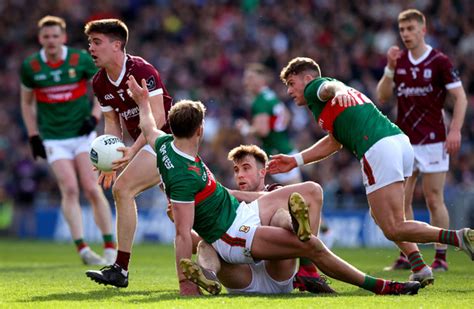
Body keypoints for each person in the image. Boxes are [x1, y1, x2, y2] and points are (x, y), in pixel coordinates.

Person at [88, 75, 422, 297]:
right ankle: (381, 287)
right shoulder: (183, 175)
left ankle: (293, 238)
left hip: (239, 211)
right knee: (312, 246)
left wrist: (143, 100)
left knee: (309, 191)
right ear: (201, 130)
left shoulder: (164, 145)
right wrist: (183, 288)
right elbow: (181, 234)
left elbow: (147, 126)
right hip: (234, 234)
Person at [266, 56, 474, 287]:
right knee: (385, 219)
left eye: (292, 83)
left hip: (377, 148)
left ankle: (458, 237)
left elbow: (328, 87)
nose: (290, 91)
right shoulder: (328, 106)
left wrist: (339, 89)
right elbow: (334, 142)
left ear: (307, 78)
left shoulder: (317, 86)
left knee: (394, 226)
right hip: (398, 142)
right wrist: (295, 160)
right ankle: (419, 267)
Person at [375, 9, 468, 272]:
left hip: (434, 140)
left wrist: (455, 130)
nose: (405, 34)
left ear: (422, 30)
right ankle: (409, 256)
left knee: (433, 198)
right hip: (404, 141)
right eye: (402, 30)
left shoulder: (439, 61)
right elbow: (382, 96)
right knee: (401, 201)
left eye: (410, 29)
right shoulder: (399, 61)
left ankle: (440, 257)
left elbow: (460, 97)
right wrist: (390, 69)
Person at [20, 15, 115, 265]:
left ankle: (110, 248)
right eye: (46, 36)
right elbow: (26, 102)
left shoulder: (79, 60)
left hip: (82, 134)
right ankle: (83, 249)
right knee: (70, 188)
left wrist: (94, 118)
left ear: (63, 38)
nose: (51, 41)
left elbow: (101, 88)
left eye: (55, 36)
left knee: (92, 187)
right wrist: (33, 135)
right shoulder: (31, 67)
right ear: (40, 39)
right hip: (54, 138)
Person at [83, 18, 173, 280]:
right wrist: (111, 157)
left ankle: (120, 269)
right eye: (90, 42)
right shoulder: (100, 82)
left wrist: (132, 152)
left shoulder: (142, 70)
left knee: (123, 190)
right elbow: (112, 124)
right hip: (146, 144)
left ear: (117, 45)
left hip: (168, 140)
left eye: (97, 42)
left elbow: (158, 117)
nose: (91, 48)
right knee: (180, 212)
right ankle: (225, 252)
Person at [226, 144, 334, 294]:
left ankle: (295, 225)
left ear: (262, 172)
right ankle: (204, 276)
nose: (240, 175)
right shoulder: (230, 203)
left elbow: (266, 198)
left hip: (278, 275)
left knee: (278, 214)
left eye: (246, 168)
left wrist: (232, 193)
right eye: (236, 170)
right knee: (208, 243)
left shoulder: (274, 191)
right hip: (244, 278)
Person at [237, 63, 302, 185]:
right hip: (284, 147)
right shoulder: (270, 95)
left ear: (262, 80)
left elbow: (263, 130)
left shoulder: (260, 101)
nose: (246, 82)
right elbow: (287, 116)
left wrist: (246, 129)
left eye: (250, 78)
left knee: (295, 195)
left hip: (276, 153)